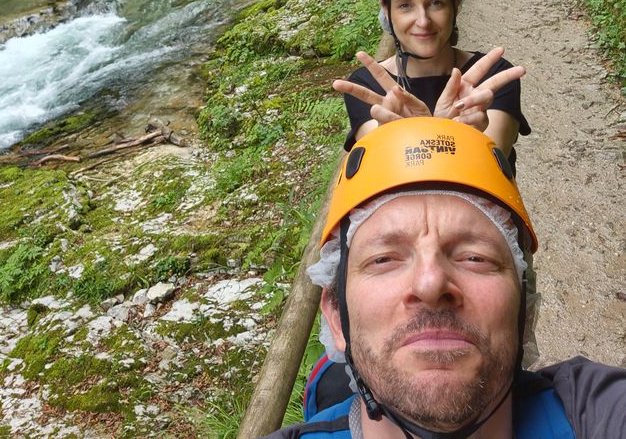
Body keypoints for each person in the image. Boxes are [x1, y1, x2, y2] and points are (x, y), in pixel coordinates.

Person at [261, 118, 626, 438]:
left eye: (474, 257)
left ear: (525, 309)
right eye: (385, 259)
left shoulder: (594, 410)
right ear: (337, 317)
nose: (431, 284)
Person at [334, 0, 530, 171]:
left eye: (436, 2)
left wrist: (417, 138)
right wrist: (440, 132)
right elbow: (385, 173)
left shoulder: (491, 78)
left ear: (455, 5)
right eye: (405, 5)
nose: (423, 21)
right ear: (387, 12)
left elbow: (491, 169)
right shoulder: (368, 87)